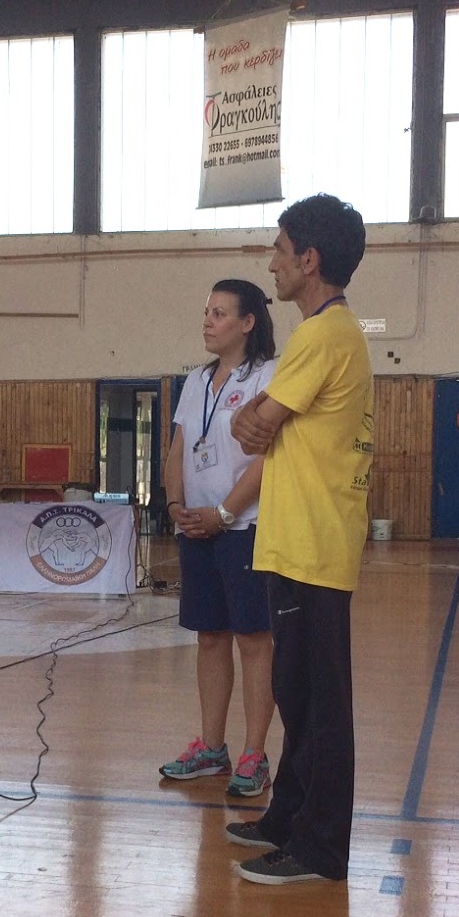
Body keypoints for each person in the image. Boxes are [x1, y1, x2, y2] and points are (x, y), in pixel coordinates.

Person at [225, 193, 374, 885]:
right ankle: (288, 816)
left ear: (309, 260)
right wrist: (257, 418)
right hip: (300, 538)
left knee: (319, 704)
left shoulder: (322, 335)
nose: (272, 265)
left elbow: (255, 424)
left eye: (280, 251)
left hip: (313, 540)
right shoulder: (325, 333)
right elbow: (255, 423)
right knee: (297, 693)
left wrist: (257, 415)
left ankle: (321, 847)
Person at [159, 280, 278, 798]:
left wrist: (225, 513)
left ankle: (255, 753)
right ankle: (212, 747)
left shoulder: (269, 376)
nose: (208, 321)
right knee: (210, 636)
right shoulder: (196, 381)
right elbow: (179, 449)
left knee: (253, 638)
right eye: (207, 311)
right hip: (196, 528)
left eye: (220, 313)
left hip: (246, 526)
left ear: (248, 322)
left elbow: (270, 459)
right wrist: (174, 506)